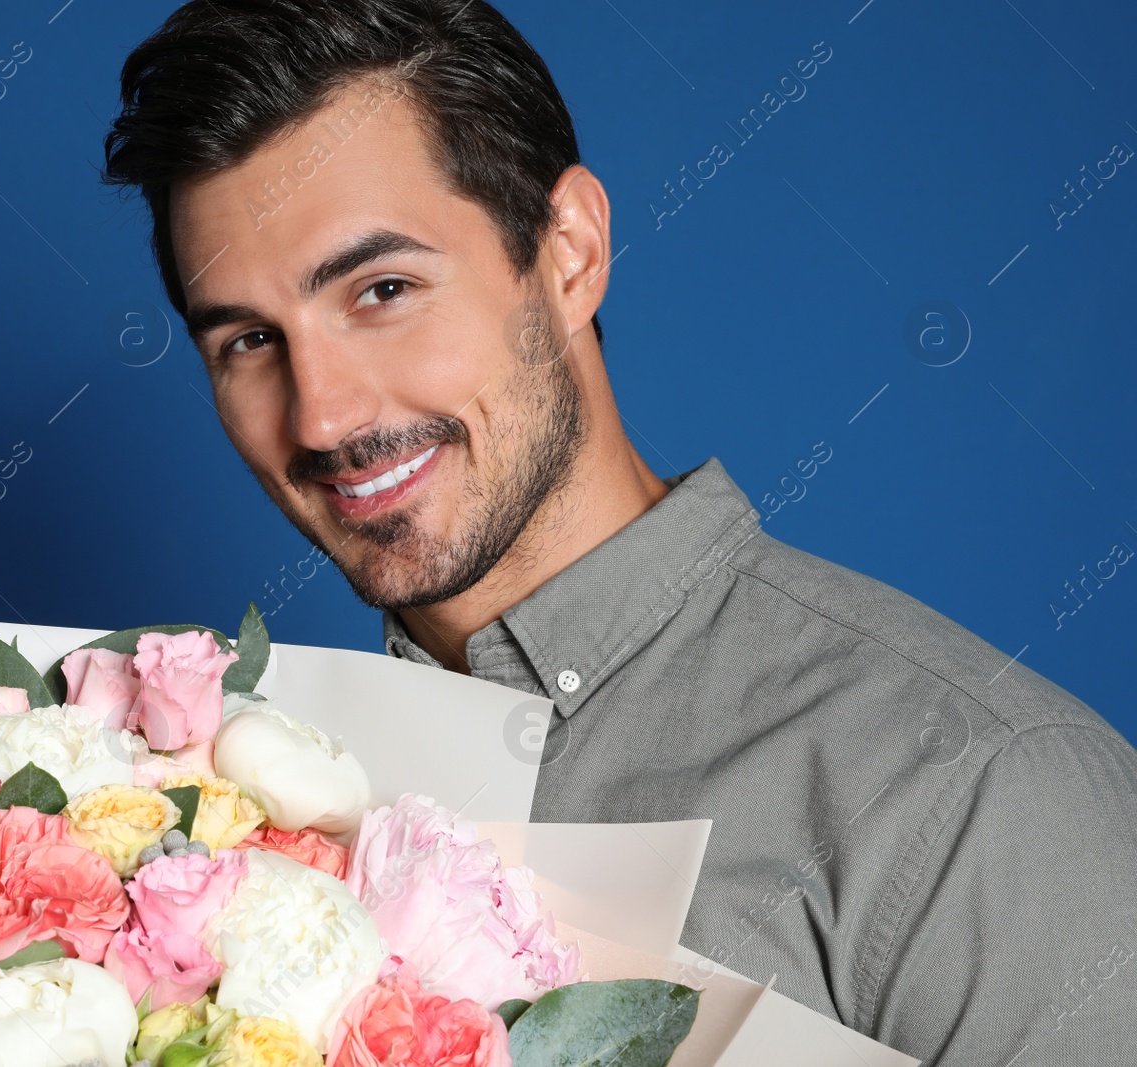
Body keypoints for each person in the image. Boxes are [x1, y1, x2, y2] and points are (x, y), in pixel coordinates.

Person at [100, 0, 1137, 1060]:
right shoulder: (201, 823)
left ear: (570, 254)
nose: (320, 415)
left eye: (382, 289)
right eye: (247, 341)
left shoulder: (982, 792)